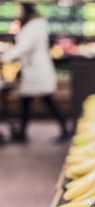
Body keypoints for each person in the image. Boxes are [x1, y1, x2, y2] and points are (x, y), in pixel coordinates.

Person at [0, 1, 68, 142]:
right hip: (33, 70)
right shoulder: (34, 25)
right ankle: (23, 132)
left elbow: (24, 47)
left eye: (19, 10)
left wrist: (4, 57)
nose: (18, 13)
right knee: (27, 101)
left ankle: (64, 129)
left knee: (46, 100)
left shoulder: (33, 27)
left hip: (37, 70)